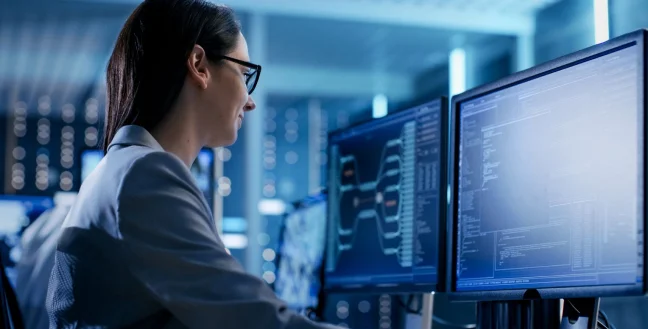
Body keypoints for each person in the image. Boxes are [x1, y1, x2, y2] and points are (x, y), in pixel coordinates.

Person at [45, 1, 341, 328]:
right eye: (244, 75)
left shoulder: (120, 169)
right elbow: (248, 318)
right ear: (199, 64)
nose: (250, 100)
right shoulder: (144, 175)